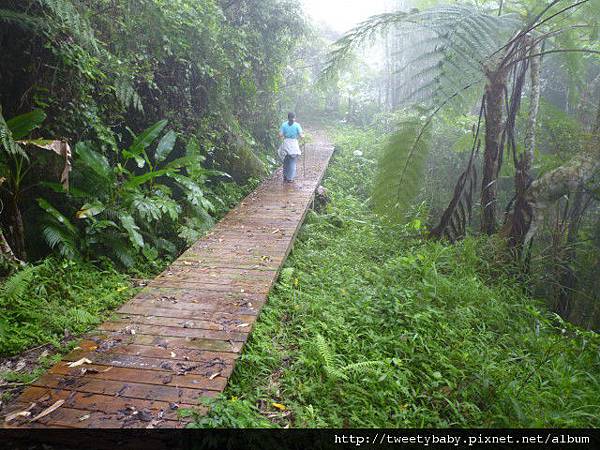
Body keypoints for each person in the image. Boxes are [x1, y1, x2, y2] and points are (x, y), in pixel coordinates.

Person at [278, 112, 303, 183]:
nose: (292, 120)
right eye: (292, 118)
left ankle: (287, 176)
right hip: (292, 143)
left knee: (287, 160)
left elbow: (280, 134)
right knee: (291, 161)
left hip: (288, 143)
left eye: (293, 118)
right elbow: (301, 135)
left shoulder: (284, 125)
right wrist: (303, 136)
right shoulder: (297, 125)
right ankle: (289, 177)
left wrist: (279, 135)